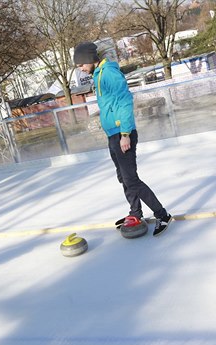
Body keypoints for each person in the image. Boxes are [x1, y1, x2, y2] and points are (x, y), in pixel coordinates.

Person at [73, 42, 172, 236]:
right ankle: (135, 212)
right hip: (113, 134)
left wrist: (125, 134)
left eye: (81, 64)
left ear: (88, 59)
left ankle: (162, 214)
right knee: (123, 177)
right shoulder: (98, 74)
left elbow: (125, 101)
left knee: (131, 179)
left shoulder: (109, 73)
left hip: (121, 133)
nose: (80, 69)